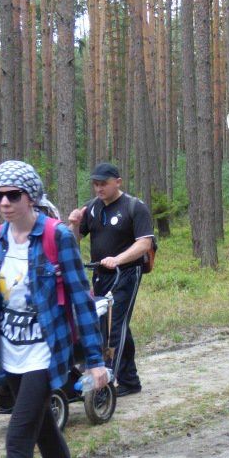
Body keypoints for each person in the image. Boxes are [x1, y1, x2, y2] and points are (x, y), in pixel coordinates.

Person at [0, 161, 107, 458]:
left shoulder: (57, 237)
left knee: (18, 438)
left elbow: (81, 299)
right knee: (44, 429)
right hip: (9, 352)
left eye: (13, 194)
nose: (4, 202)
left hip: (45, 352)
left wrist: (95, 360)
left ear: (31, 196)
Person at [68, 162, 155, 396]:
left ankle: (107, 383)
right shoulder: (91, 208)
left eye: (103, 184)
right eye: (95, 184)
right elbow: (73, 241)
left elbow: (144, 243)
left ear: (117, 182)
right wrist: (74, 225)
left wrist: (118, 259)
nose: (99, 189)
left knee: (114, 325)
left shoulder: (134, 207)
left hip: (126, 273)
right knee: (104, 324)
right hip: (100, 274)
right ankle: (130, 380)